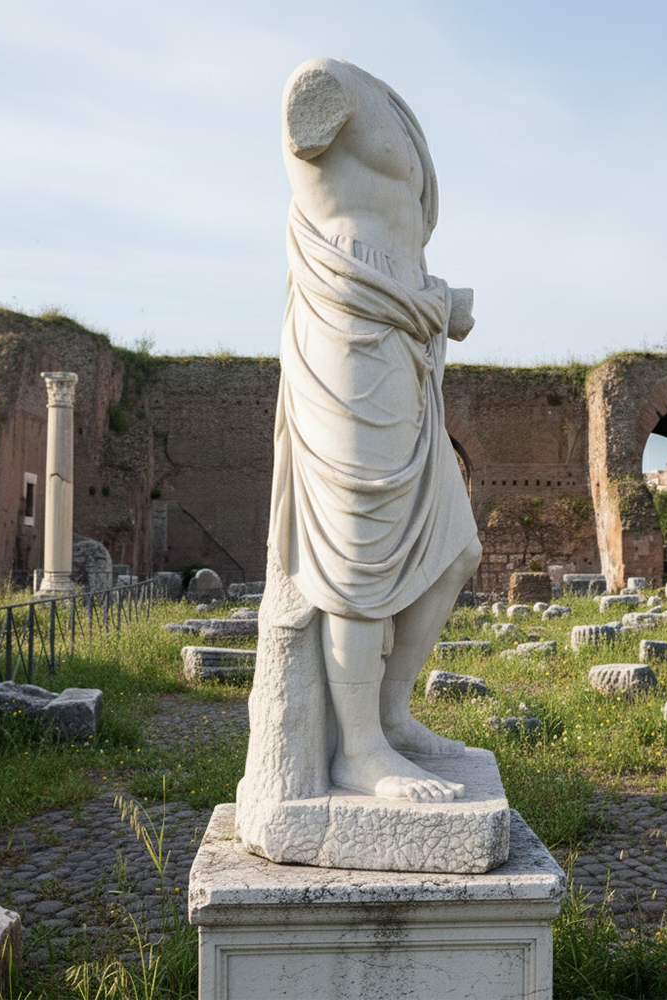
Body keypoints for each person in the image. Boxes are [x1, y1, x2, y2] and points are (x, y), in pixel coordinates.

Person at [269, 57, 481, 804]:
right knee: (358, 557)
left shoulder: (382, 91)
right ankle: (358, 750)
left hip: (405, 341)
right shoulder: (319, 83)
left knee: (456, 549)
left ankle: (391, 716)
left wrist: (435, 299)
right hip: (348, 333)